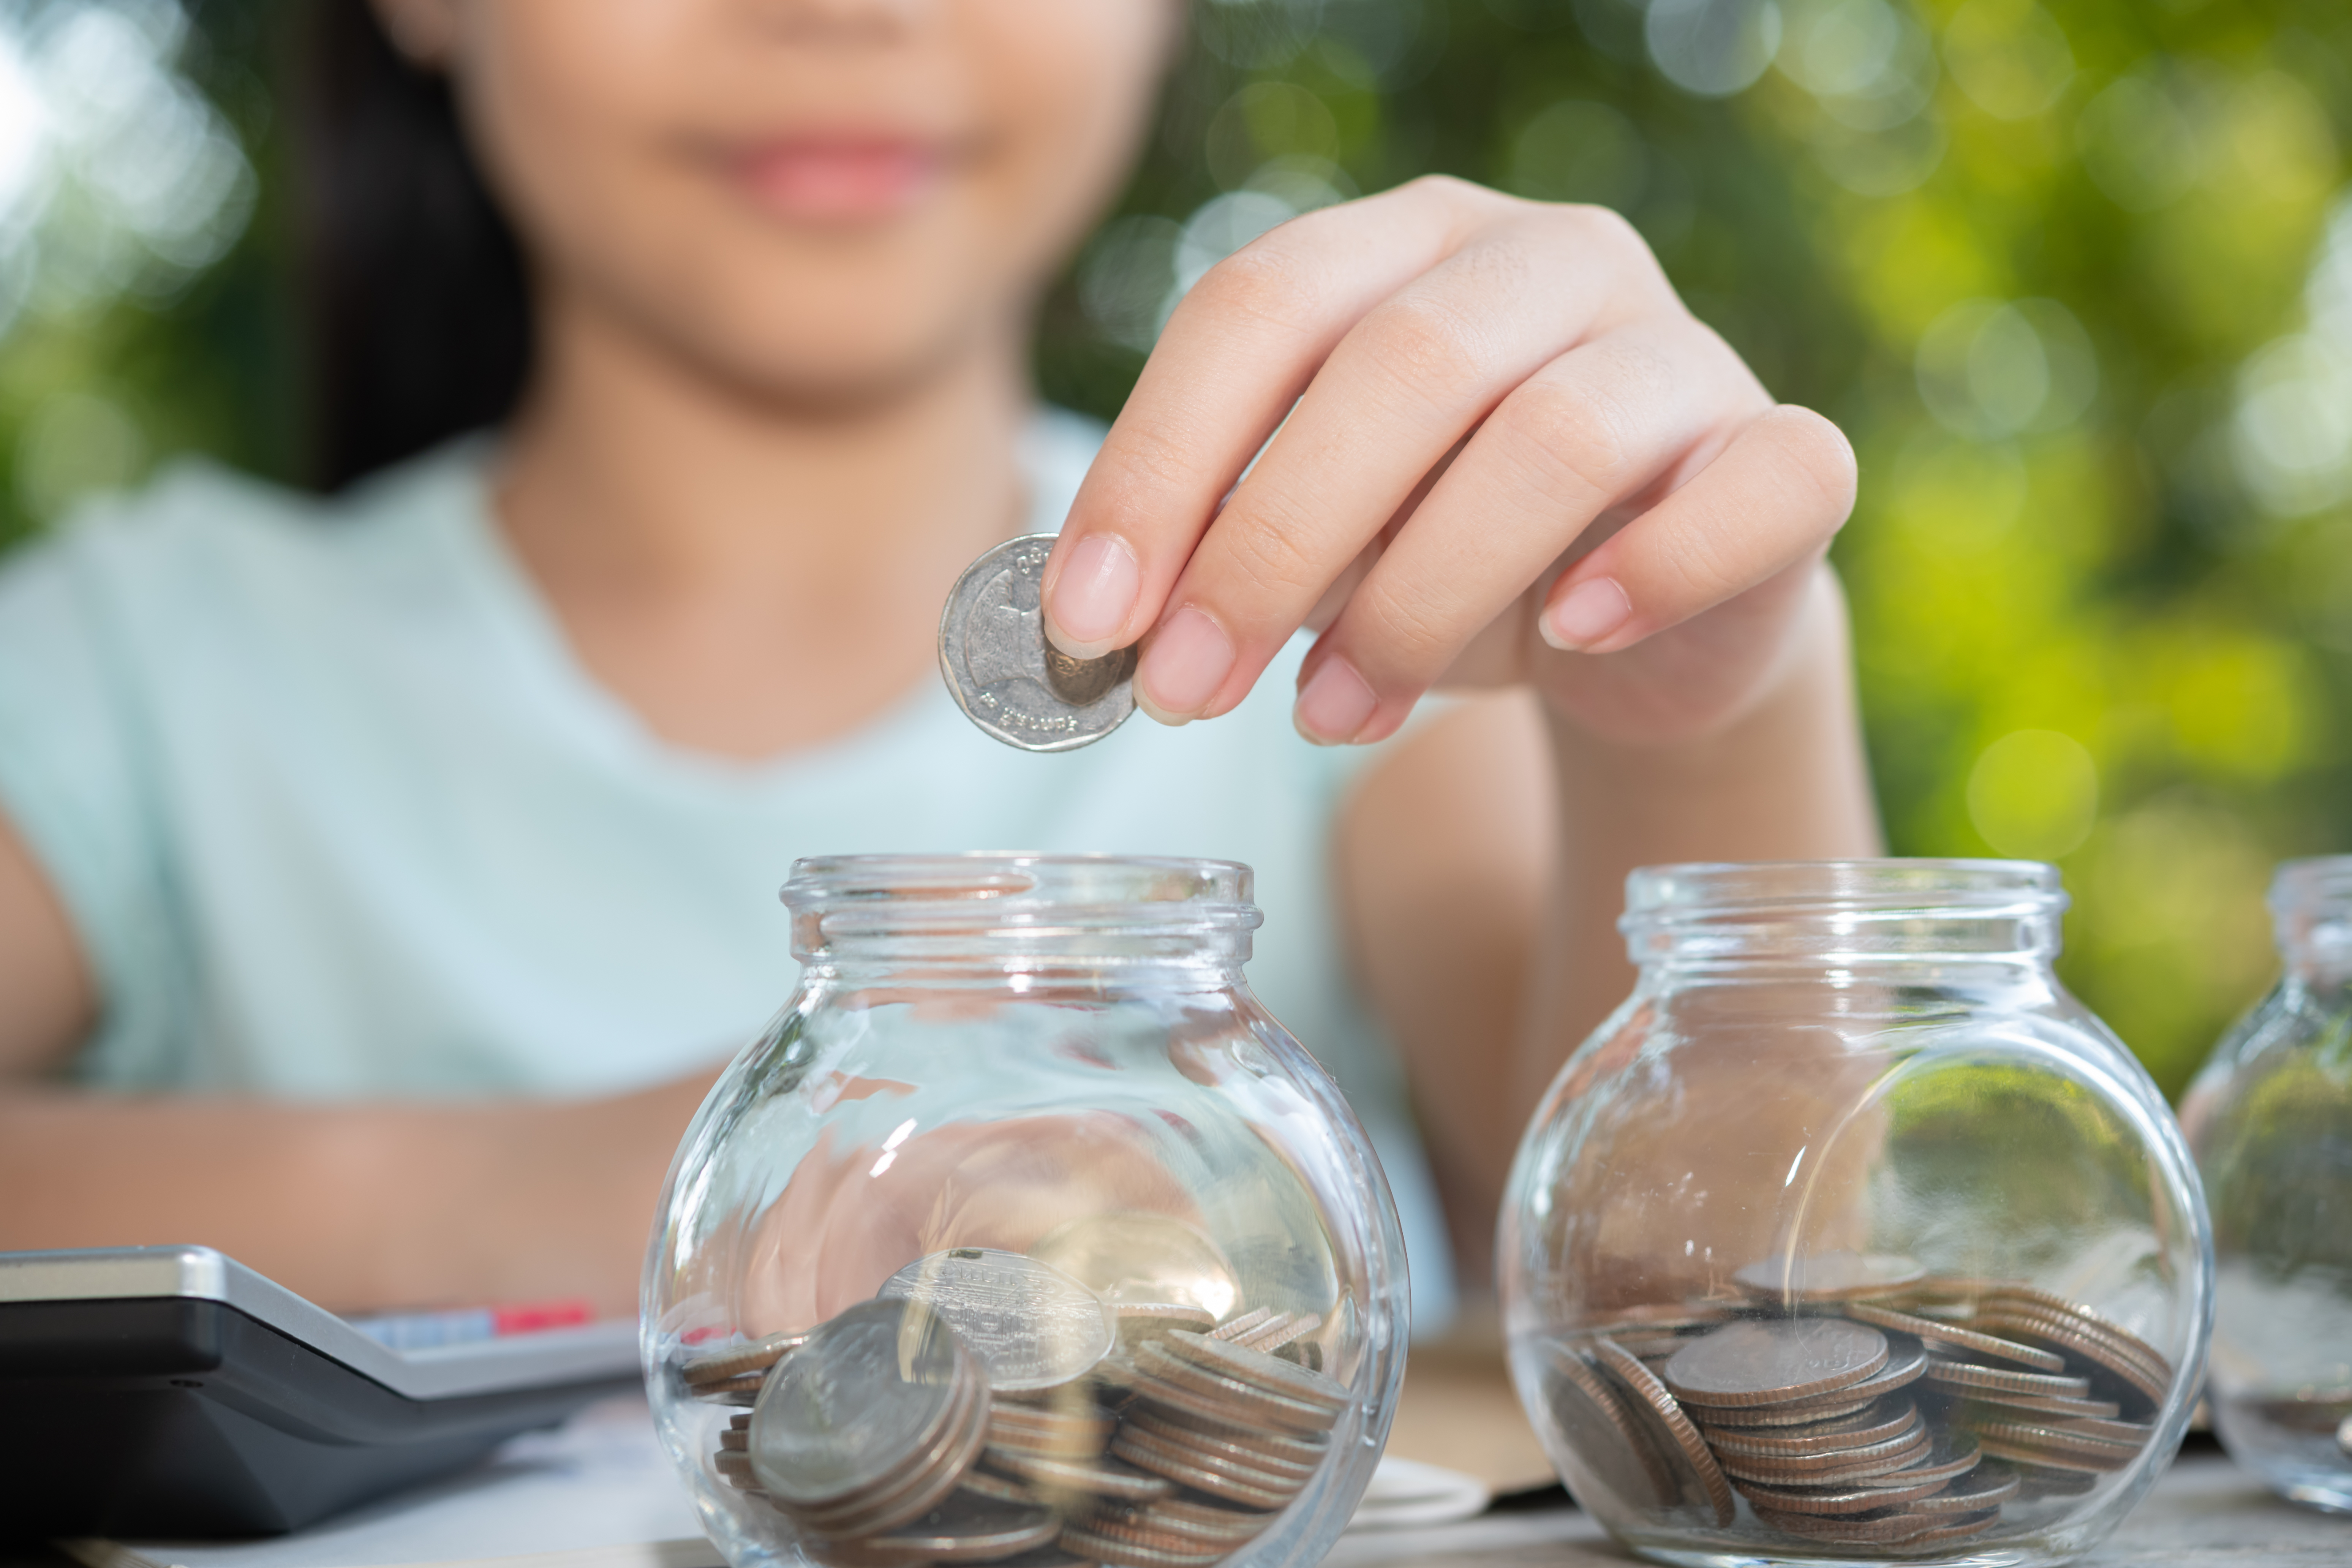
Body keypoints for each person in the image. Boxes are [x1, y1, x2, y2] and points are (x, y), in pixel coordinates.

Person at [0, 0, 1878, 1325]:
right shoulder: (140, 666)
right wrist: (615, 1196)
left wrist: (1713, 717)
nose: (841, 5)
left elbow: (1726, 1308)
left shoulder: (1375, 631)